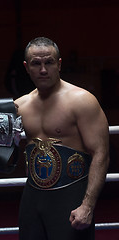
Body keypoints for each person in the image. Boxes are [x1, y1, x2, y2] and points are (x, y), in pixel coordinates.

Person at [14, 37, 110, 240]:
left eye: (48, 62)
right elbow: (5, 155)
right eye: (36, 63)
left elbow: (101, 153)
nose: (42, 69)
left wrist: (88, 205)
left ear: (59, 64)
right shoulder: (19, 106)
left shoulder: (82, 101)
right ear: (26, 67)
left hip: (71, 197)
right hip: (32, 198)